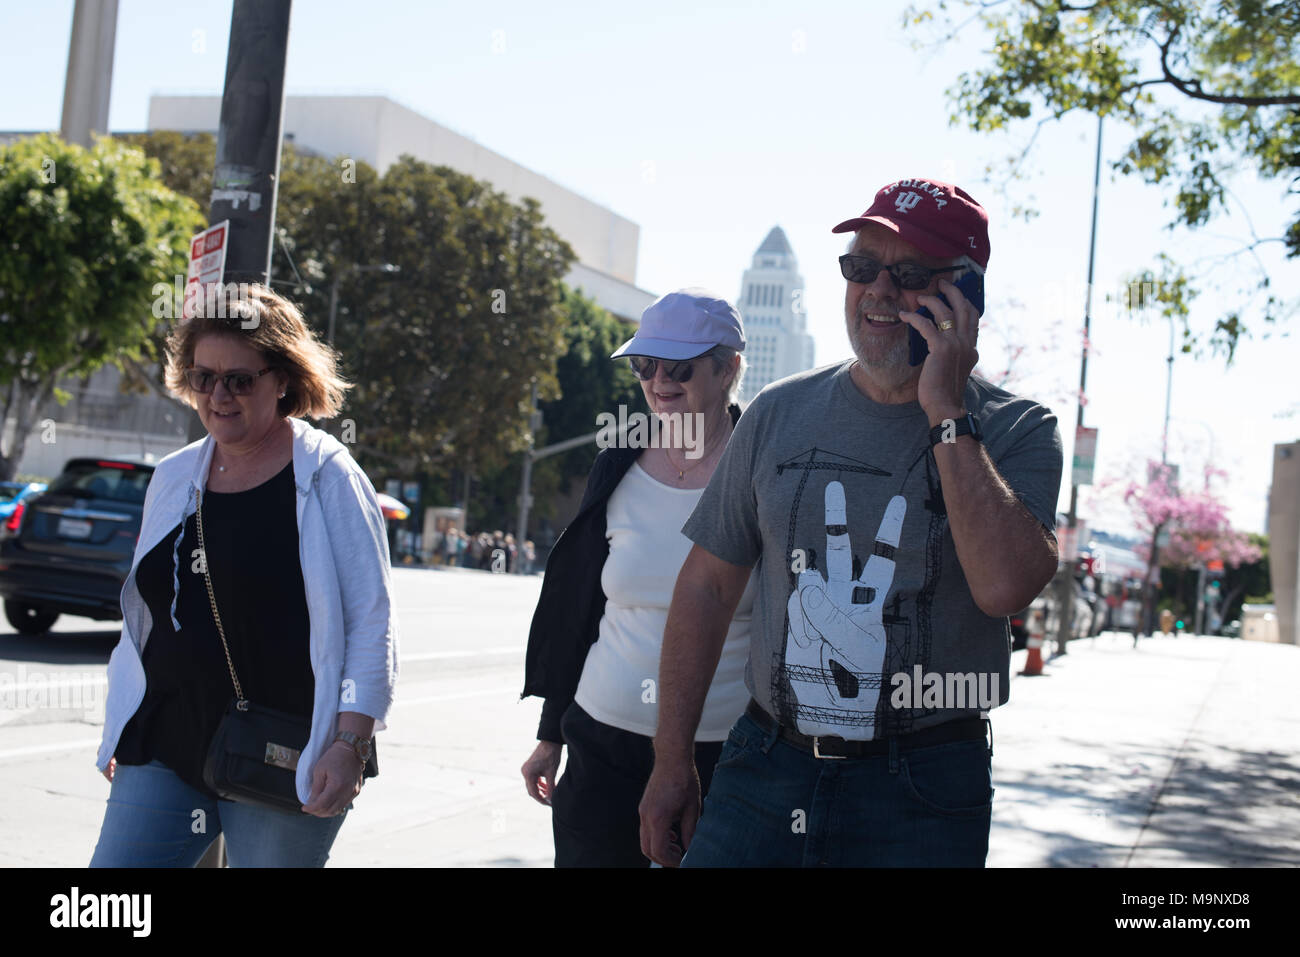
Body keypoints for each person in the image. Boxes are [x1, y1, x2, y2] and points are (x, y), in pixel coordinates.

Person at [639, 179, 1063, 867]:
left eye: (911, 274)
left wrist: (947, 414)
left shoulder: (1019, 431)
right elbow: (706, 589)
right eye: (862, 267)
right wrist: (670, 761)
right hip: (764, 766)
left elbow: (1004, 588)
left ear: (967, 295)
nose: (879, 291)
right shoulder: (777, 412)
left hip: (922, 790)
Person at [92, 284, 398, 868]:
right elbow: (146, 619)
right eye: (204, 377)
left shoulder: (328, 477)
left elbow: (370, 624)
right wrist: (123, 721)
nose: (219, 394)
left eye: (240, 378)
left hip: (283, 747)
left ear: (282, 379)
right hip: (165, 737)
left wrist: (350, 745)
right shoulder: (174, 476)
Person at [520, 288, 756, 867]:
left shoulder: (762, 468)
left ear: (729, 368)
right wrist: (552, 732)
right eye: (645, 365)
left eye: (679, 366)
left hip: (724, 755)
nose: (659, 382)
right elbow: (580, 608)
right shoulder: (618, 462)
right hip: (601, 741)